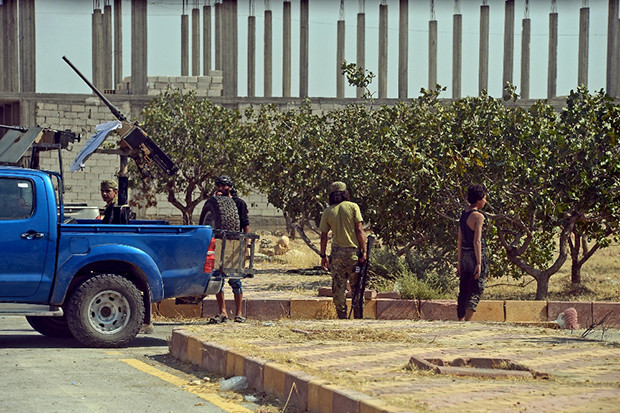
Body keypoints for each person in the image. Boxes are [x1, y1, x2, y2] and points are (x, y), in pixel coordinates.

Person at [319, 181, 367, 319]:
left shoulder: (328, 211)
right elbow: (359, 230)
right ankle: (358, 316)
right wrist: (363, 251)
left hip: (337, 255)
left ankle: (342, 318)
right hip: (353, 254)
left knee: (338, 288)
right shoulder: (353, 207)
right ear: (346, 193)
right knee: (357, 286)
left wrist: (323, 256)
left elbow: (323, 236)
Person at [208, 175, 250, 324]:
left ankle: (239, 313)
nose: (220, 189)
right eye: (218, 186)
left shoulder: (240, 203)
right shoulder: (215, 203)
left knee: (235, 280)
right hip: (218, 244)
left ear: (230, 187)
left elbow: (245, 224)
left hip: (234, 243)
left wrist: (246, 245)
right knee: (218, 279)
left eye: (223, 186)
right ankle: (223, 312)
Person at [457, 184, 488, 321]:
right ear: (479, 199)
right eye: (485, 198)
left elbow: (459, 240)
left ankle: (460, 319)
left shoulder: (464, 214)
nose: (486, 201)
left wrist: (459, 263)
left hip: (464, 255)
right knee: (476, 288)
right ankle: (467, 321)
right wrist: (479, 263)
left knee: (464, 288)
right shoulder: (478, 217)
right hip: (474, 256)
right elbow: (477, 241)